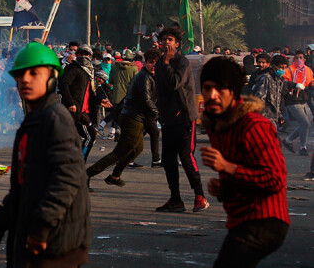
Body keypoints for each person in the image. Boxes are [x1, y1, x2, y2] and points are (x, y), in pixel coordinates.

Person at [0, 42, 91, 268]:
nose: (25, 79)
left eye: (34, 73)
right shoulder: (33, 122)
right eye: (20, 74)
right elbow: (20, 190)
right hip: (33, 237)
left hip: (56, 243)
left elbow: (66, 181)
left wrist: (41, 229)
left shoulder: (56, 120)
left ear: (51, 78)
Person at [199, 57, 289, 268]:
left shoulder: (254, 125)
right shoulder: (217, 126)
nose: (212, 95)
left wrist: (227, 167)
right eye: (207, 88)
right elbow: (245, 176)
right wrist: (223, 188)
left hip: (264, 220)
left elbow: (275, 180)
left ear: (233, 92)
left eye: (220, 89)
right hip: (240, 220)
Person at [86, 49, 160, 188]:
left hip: (137, 117)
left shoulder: (152, 76)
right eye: (151, 62)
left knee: (137, 149)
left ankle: (115, 176)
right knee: (119, 152)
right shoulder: (144, 76)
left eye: (156, 63)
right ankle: (87, 174)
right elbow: (146, 99)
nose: (154, 65)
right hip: (132, 117)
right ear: (145, 63)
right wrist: (158, 114)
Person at [154, 26, 209, 213]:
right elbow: (160, 89)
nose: (166, 42)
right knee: (168, 160)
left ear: (177, 44)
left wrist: (168, 62)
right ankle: (176, 199)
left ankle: (200, 196)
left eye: (170, 39)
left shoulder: (181, 62)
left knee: (186, 157)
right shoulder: (160, 63)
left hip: (185, 118)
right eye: (164, 39)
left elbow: (175, 83)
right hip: (168, 119)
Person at [58, 44, 103, 162]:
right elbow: (63, 85)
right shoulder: (73, 68)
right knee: (89, 136)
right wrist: (70, 102)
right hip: (75, 110)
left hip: (83, 110)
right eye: (80, 54)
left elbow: (89, 93)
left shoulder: (88, 72)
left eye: (86, 54)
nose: (83, 57)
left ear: (90, 56)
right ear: (77, 55)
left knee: (82, 137)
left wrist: (100, 100)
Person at [98, 48, 138, 140]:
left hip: (116, 95)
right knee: (126, 114)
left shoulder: (115, 67)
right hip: (129, 95)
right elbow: (136, 83)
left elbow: (111, 80)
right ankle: (121, 131)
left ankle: (115, 130)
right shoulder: (134, 68)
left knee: (115, 113)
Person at [281, 49, 313, 156]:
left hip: (303, 99)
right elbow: (284, 82)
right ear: (294, 58)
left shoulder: (308, 70)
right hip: (292, 100)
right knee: (305, 123)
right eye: (297, 57)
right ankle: (302, 147)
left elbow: (310, 81)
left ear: (304, 59)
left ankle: (288, 140)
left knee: (306, 124)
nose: (299, 60)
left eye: (301, 57)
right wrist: (294, 85)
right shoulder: (289, 69)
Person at [252, 54, 288, 127]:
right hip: (264, 117)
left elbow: (277, 100)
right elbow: (259, 98)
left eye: (284, 68)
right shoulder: (266, 78)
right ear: (274, 66)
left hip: (273, 118)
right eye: (281, 67)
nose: (283, 70)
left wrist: (279, 115)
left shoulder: (279, 80)